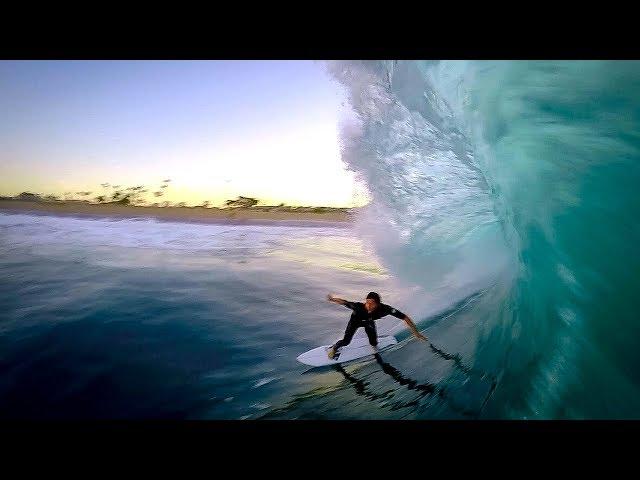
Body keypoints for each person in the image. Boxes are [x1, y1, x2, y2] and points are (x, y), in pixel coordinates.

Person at [326, 291, 427, 359]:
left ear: (378, 304)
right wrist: (332, 299)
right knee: (346, 341)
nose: (368, 305)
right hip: (355, 321)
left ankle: (373, 346)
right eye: (367, 302)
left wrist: (416, 333)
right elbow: (344, 302)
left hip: (369, 322)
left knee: (374, 343)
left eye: (372, 303)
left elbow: (404, 317)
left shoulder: (385, 309)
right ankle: (334, 348)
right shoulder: (358, 307)